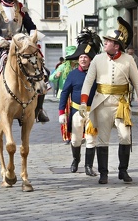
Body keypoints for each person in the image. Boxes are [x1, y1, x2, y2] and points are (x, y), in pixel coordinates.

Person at [79, 17, 138, 185]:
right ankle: (103, 173)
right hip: (101, 103)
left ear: (116, 45)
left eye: (108, 41)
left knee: (125, 136)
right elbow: (88, 81)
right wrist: (83, 102)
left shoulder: (128, 60)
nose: (105, 43)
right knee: (102, 139)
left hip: (121, 104)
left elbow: (137, 82)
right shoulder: (97, 59)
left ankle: (123, 171)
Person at [58, 29, 102, 176]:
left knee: (91, 140)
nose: (83, 59)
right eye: (81, 57)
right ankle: (75, 160)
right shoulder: (73, 74)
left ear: (90, 59)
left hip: (92, 112)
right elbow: (64, 93)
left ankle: (89, 166)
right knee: (76, 140)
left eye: (86, 57)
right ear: (78, 59)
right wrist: (61, 113)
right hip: (77, 111)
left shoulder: (96, 74)